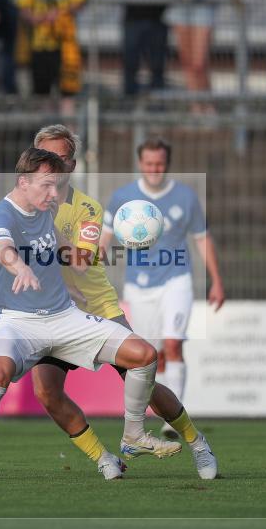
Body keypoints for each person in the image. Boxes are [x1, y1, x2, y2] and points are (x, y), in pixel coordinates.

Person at [0, 148, 172, 482]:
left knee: (144, 355)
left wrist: (96, 252)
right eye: (46, 185)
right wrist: (19, 267)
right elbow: (3, 247)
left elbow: (61, 248)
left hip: (63, 317)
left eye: (57, 185)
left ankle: (133, 436)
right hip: (15, 321)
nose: (54, 193)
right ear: (23, 181)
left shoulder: (45, 209)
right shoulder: (3, 214)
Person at [100, 137, 225, 439]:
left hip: (176, 279)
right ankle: (152, 411)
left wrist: (216, 280)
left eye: (160, 163)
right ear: (140, 163)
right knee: (151, 353)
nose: (154, 169)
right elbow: (104, 240)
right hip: (139, 286)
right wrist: (94, 263)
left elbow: (201, 238)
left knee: (173, 344)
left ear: (167, 164)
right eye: (149, 163)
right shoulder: (122, 198)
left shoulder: (185, 197)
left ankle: (173, 418)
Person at [16, 0, 85, 111]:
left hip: (66, 45)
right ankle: (48, 133)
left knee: (68, 94)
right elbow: (24, 8)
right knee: (42, 94)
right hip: (40, 44)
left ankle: (68, 133)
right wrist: (38, 18)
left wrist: (59, 13)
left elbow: (79, 0)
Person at [164, 0, 222, 103]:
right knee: (187, 62)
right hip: (180, 3)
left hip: (204, 1)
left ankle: (207, 105)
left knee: (199, 63)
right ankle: (195, 107)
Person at [117, 0, 168, 96]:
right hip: (134, 17)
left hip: (158, 17)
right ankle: (129, 101)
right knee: (130, 63)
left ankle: (159, 106)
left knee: (157, 65)